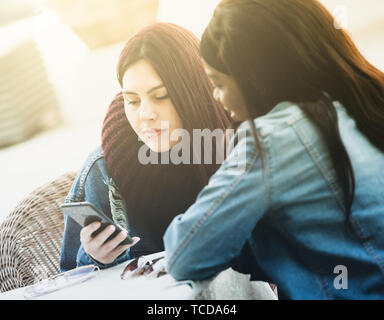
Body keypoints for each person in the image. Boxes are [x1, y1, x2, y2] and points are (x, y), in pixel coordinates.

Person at [163, 0, 384, 299]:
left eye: (218, 83)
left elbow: (185, 255)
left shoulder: (272, 138)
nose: (216, 97)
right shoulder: (362, 103)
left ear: (254, 77)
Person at [60, 22, 232, 272]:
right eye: (132, 100)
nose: (145, 114)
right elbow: (70, 280)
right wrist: (94, 258)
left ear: (195, 92)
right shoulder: (102, 171)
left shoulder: (240, 143)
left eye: (161, 96)